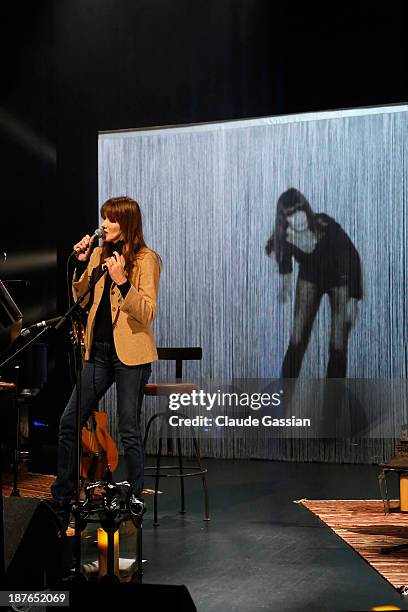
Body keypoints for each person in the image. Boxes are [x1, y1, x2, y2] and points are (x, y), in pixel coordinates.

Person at [50, 196, 160, 526]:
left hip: (131, 354)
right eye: (103, 218)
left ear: (126, 224)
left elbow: (148, 313)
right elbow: (81, 299)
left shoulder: (146, 260)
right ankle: (62, 499)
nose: (104, 224)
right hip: (97, 354)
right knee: (69, 422)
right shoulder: (99, 254)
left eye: (110, 220)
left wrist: (124, 281)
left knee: (128, 427)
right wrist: (83, 262)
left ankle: (135, 501)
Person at [265, 188, 362, 386]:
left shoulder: (324, 224)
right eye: (291, 214)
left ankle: (332, 405)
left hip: (340, 278)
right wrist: (285, 281)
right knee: (297, 337)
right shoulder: (286, 234)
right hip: (310, 276)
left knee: (338, 343)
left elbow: (352, 255)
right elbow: (283, 257)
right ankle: (284, 395)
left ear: (306, 209)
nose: (298, 217)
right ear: (284, 218)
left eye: (300, 210)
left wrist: (354, 297)